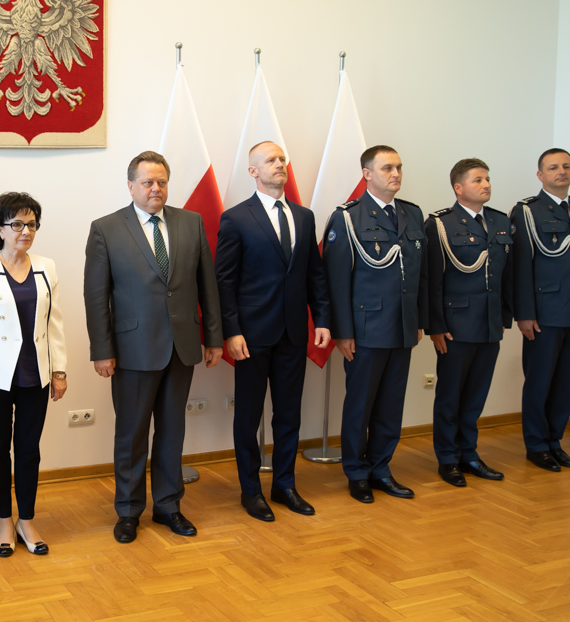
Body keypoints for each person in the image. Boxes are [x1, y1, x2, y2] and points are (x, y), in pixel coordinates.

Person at [83, 151, 222, 543]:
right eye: (147, 182)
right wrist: (102, 349)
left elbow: (207, 285)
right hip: (132, 350)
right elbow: (96, 296)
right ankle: (128, 511)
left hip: (182, 346)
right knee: (131, 434)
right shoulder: (106, 229)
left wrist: (213, 337)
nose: (155, 188)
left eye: (162, 182)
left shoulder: (191, 223)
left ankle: (168, 506)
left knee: (172, 431)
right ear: (131, 186)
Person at [215, 141, 330, 521]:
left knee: (289, 415)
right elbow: (224, 281)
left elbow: (315, 274)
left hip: (294, 333)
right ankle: (251, 491)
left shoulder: (304, 217)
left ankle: (284, 486)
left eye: (282, 159)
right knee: (248, 417)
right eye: (270, 160)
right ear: (253, 171)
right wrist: (231, 331)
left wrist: (323, 319)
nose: (280, 164)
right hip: (251, 336)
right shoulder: (236, 218)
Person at [0, 192, 67, 557]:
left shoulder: (47, 267)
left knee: (29, 450)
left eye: (32, 224)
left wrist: (60, 369)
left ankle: (27, 520)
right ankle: (4, 521)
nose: (26, 231)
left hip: (36, 374)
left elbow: (54, 323)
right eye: (17, 224)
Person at [323, 145, 428, 504]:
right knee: (361, 405)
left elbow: (420, 275)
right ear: (367, 174)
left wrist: (419, 320)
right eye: (387, 168)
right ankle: (356, 472)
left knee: (391, 405)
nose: (396, 174)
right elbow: (336, 279)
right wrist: (343, 331)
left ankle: (381, 467)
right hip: (366, 328)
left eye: (398, 167)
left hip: (403, 326)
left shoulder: (412, 214)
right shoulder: (348, 217)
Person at [510, 148, 570, 471]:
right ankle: (536, 445)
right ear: (540, 175)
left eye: (566, 166)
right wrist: (524, 313)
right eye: (553, 167)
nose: (561, 171)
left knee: (566, 381)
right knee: (539, 381)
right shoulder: (527, 211)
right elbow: (520, 267)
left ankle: (554, 441)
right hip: (544, 312)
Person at [425, 159, 513, 486]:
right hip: (455, 325)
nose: (486, 184)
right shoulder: (440, 224)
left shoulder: (500, 221)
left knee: (476, 395)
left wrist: (504, 315)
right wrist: (435, 326)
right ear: (458, 188)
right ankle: (448, 458)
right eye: (478, 180)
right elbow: (432, 279)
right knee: (450, 397)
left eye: (487, 178)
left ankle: (469, 454)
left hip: (489, 323)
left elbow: (507, 275)